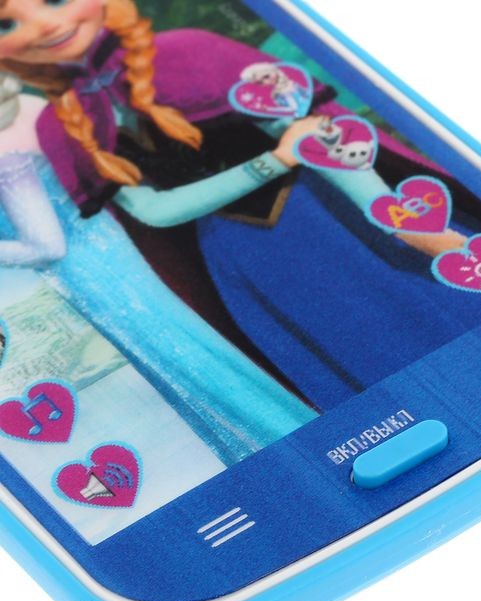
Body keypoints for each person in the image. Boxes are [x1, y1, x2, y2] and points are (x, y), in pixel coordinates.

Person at [0, 0, 481, 411]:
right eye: (7, 23)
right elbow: (155, 213)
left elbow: (319, 134)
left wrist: (393, 217)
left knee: (446, 311)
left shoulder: (188, 50)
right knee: (372, 356)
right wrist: (273, 161)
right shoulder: (59, 125)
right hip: (251, 263)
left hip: (334, 219)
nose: (45, 25)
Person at [0, 74, 316, 464]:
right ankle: (290, 455)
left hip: (98, 275)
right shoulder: (32, 110)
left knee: (188, 365)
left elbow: (47, 245)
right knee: (193, 362)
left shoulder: (9, 140)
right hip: (106, 259)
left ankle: (290, 455)